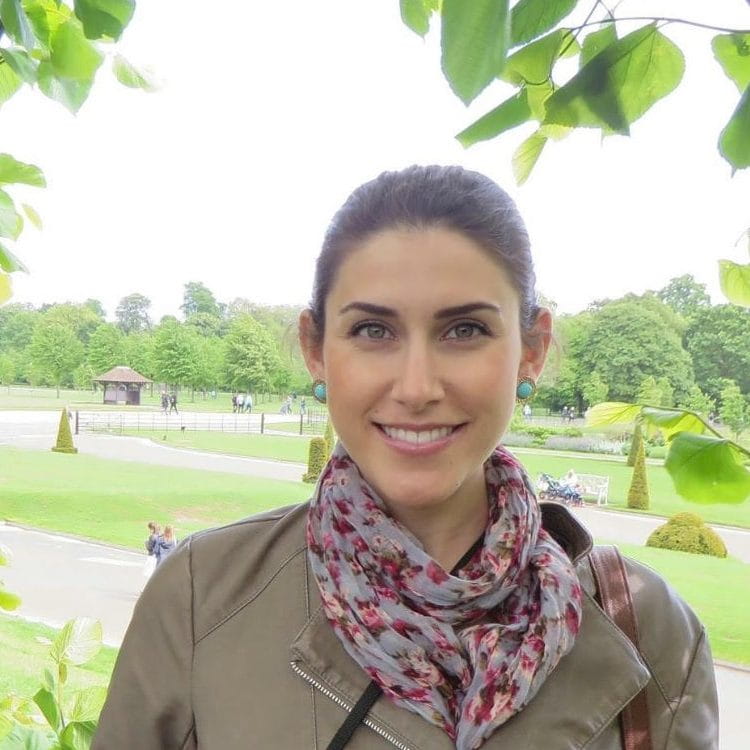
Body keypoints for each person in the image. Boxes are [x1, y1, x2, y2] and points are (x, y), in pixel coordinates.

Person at [94, 166, 717, 749]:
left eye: (465, 330)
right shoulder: (202, 600)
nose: (417, 388)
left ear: (531, 351)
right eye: (374, 330)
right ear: (316, 350)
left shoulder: (652, 631)